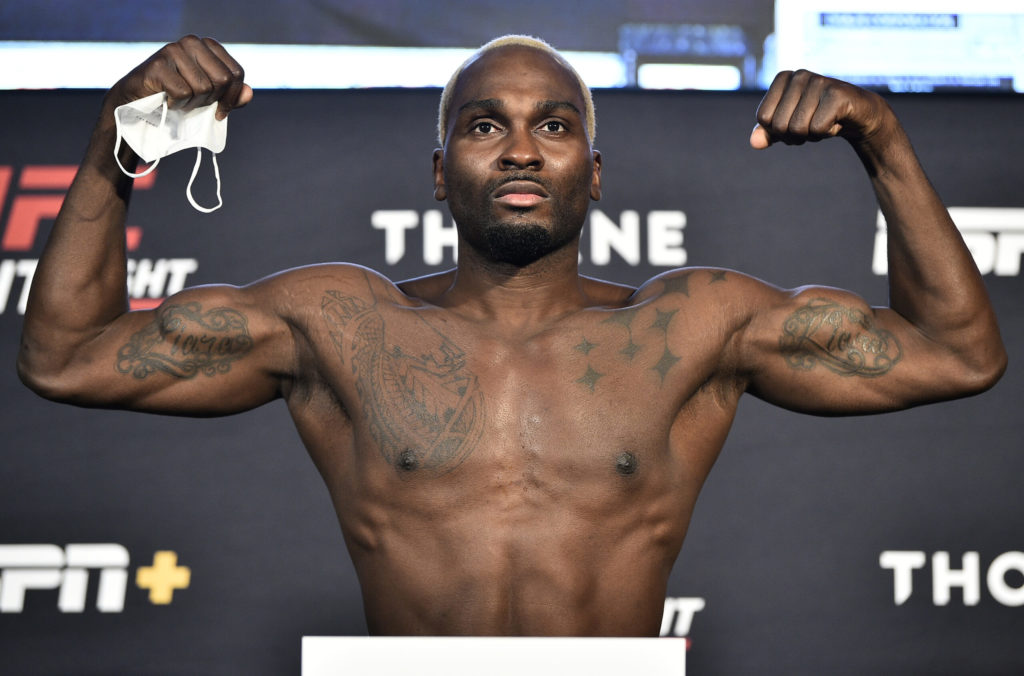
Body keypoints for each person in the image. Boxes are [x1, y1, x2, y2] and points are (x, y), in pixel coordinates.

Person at [17, 34, 1005, 636]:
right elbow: (63, 355)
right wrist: (119, 136)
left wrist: (881, 137)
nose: (523, 147)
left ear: (597, 170)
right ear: (439, 173)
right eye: (484, 125)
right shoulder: (339, 323)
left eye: (555, 124)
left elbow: (958, 352)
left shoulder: (692, 324)